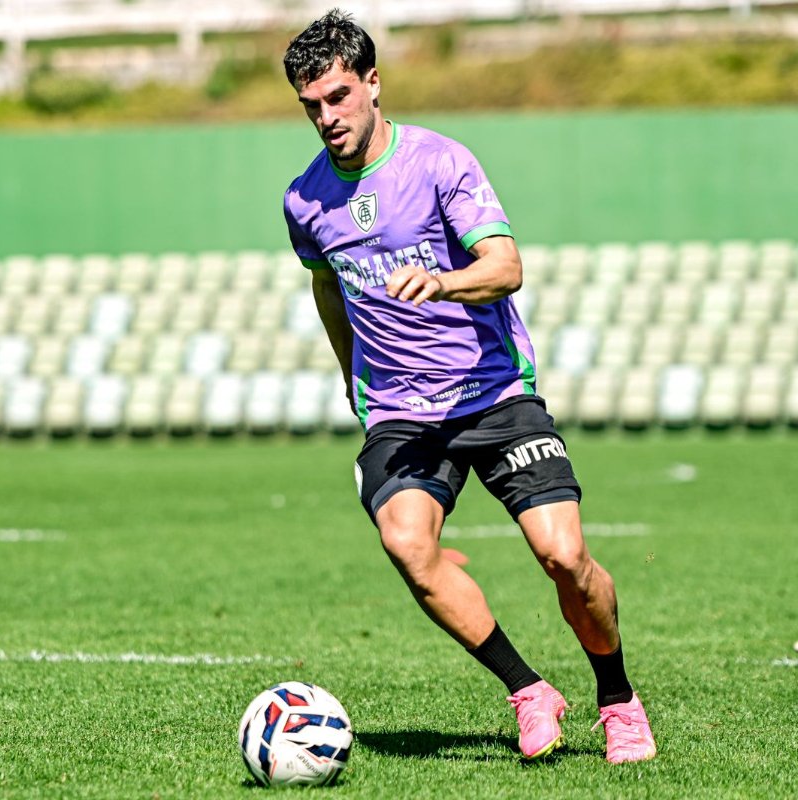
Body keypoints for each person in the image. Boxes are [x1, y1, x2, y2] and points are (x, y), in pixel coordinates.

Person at [281, 9, 656, 764]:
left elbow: (507, 266)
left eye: (339, 96)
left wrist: (445, 282)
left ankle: (615, 697)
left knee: (563, 556)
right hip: (399, 410)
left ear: (374, 83)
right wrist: (352, 375)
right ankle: (528, 690)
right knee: (408, 545)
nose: (327, 117)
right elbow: (328, 289)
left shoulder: (441, 161)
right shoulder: (304, 201)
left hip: (492, 396)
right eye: (312, 105)